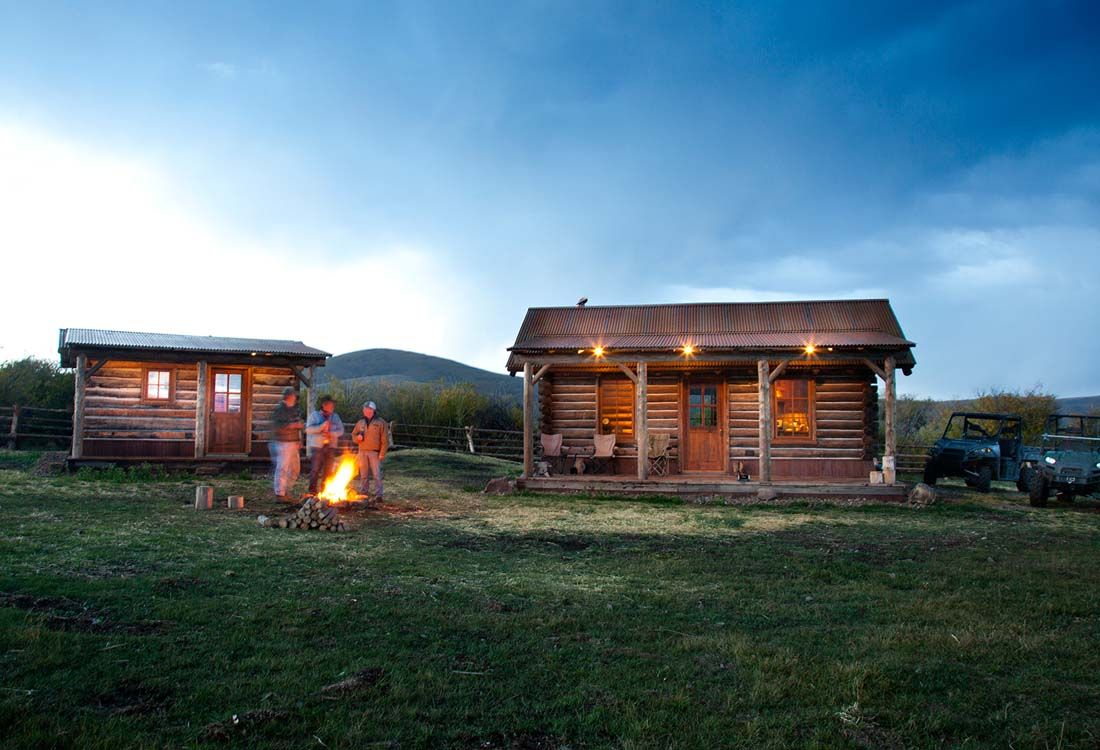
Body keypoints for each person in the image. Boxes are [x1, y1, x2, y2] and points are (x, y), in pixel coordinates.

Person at [305, 395, 344, 494]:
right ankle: (312, 492)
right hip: (317, 447)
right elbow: (308, 429)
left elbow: (341, 430)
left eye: (333, 404)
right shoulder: (314, 415)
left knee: (328, 470)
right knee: (315, 469)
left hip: (331, 447)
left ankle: (325, 491)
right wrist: (320, 427)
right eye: (331, 404)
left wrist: (332, 434)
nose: (333, 406)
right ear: (324, 405)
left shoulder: (335, 417)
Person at [270, 386, 303, 500]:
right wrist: (291, 426)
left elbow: (298, 425)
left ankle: (286, 490)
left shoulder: (294, 409)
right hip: (283, 443)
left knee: (295, 469)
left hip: (293, 442)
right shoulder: (280, 410)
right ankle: (280, 493)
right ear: (289, 396)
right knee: (283, 468)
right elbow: (277, 426)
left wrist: (299, 440)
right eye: (294, 395)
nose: (295, 397)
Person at [352, 400, 388, 503]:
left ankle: (379, 495)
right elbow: (353, 435)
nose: (367, 411)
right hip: (362, 451)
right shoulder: (360, 423)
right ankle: (364, 493)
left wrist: (382, 453)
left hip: (375, 452)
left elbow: (385, 440)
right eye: (365, 409)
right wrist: (357, 438)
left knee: (377, 475)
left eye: (369, 409)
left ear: (373, 410)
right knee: (363, 474)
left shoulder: (381, 423)